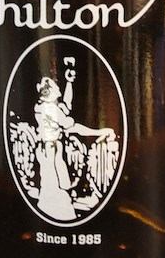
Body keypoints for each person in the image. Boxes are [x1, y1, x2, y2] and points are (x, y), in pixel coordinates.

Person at [33, 73, 115, 221]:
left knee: (53, 182)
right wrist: (98, 132)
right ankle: (60, 212)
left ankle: (53, 208)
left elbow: (66, 106)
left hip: (49, 149)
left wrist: (69, 82)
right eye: (56, 87)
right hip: (50, 150)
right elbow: (74, 127)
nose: (58, 88)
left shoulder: (44, 107)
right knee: (55, 185)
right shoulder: (51, 110)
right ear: (49, 92)